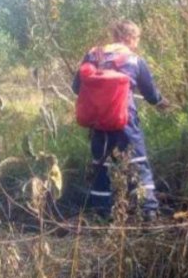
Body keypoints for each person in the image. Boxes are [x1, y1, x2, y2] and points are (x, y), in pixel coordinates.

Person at [72, 20, 170, 221]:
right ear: (130, 38)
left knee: (101, 166)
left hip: (98, 122)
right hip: (125, 121)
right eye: (137, 39)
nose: (137, 43)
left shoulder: (93, 55)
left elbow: (76, 88)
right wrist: (161, 102)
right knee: (138, 163)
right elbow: (151, 94)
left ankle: (101, 213)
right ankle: (148, 212)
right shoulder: (134, 60)